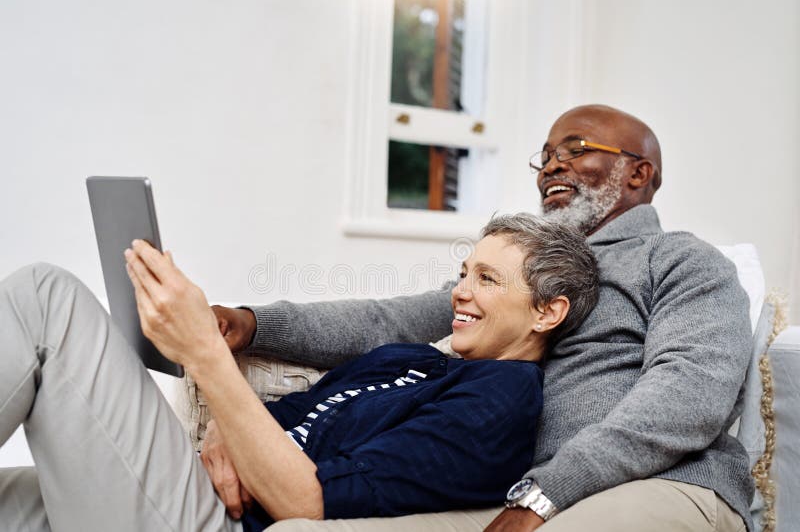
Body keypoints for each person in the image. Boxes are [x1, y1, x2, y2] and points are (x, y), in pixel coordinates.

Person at [214, 105, 754, 532]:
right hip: (520, 495)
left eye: (577, 148)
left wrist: (547, 492)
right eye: (544, 155)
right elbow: (391, 320)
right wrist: (255, 324)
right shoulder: (518, 272)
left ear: (639, 172)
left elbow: (687, 396)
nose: (552, 166)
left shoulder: (683, 260)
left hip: (666, 485)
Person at [0, 214, 597, 531]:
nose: (459, 293)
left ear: (548, 311)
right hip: (197, 488)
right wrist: (221, 435)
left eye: (486, 280)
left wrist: (206, 353)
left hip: (217, 525)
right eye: (463, 272)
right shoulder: (416, 360)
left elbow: (305, 503)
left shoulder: (497, 406)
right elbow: (267, 420)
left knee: (45, 298)